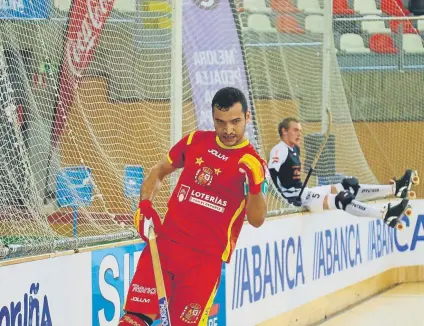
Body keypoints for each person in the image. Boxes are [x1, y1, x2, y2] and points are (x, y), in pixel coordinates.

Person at [119, 87, 269, 326]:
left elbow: (257, 219)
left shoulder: (254, 163)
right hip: (165, 244)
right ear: (213, 118)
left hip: (204, 261)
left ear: (247, 118)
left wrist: (255, 187)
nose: (228, 130)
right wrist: (145, 206)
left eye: (235, 122)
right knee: (132, 320)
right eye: (220, 122)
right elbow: (158, 172)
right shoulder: (194, 141)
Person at [268, 117, 419, 228]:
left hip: (303, 192)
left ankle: (395, 189)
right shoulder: (279, 149)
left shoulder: (295, 148)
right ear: (284, 131)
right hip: (295, 197)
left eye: (300, 131)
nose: (299, 134)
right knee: (342, 198)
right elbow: (271, 178)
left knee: (348, 186)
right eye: (295, 130)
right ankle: (384, 214)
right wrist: (286, 200)